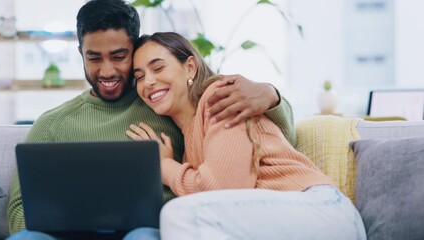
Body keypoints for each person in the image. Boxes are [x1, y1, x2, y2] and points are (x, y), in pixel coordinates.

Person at [7, 0, 296, 239]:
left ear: (135, 50)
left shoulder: (167, 106)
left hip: (148, 230)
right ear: (81, 53)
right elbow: (19, 210)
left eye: (119, 56)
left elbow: (267, 140)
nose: (107, 71)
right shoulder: (52, 124)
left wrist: (272, 96)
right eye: (94, 58)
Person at [123, 32, 367, 240]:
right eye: (140, 77)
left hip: (322, 210)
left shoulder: (220, 98)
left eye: (157, 68)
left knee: (178, 214)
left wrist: (165, 166)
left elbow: (221, 191)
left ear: (190, 67)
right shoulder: (190, 142)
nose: (149, 82)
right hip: (278, 218)